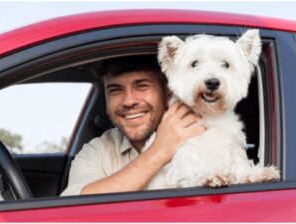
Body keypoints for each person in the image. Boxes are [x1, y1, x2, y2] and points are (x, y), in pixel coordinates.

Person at [61, 55, 206, 195]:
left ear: (167, 92)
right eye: (115, 90)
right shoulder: (96, 151)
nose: (129, 101)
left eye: (141, 86)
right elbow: (74, 209)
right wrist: (159, 151)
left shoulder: (202, 132)